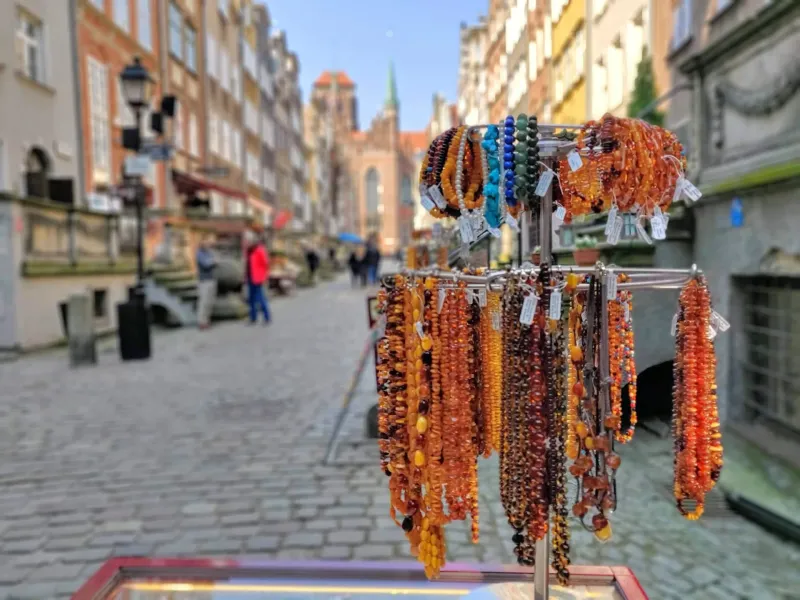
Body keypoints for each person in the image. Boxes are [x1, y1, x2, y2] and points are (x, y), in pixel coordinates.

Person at [245, 231, 271, 324]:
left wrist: (263, 276)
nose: (248, 241)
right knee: (251, 298)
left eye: (249, 240)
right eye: (247, 240)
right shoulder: (249, 250)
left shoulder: (259, 249)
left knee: (260, 298)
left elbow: (266, 263)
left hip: (257, 277)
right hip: (250, 276)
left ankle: (267, 317)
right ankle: (253, 318)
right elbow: (247, 265)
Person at [195, 235, 217, 330]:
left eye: (208, 243)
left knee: (210, 302)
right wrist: (213, 262)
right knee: (203, 302)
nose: (207, 244)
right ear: (202, 243)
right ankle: (201, 322)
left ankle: (207, 320)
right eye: (205, 242)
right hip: (204, 281)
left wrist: (212, 261)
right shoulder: (199, 253)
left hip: (212, 279)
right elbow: (206, 264)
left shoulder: (210, 252)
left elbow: (214, 261)